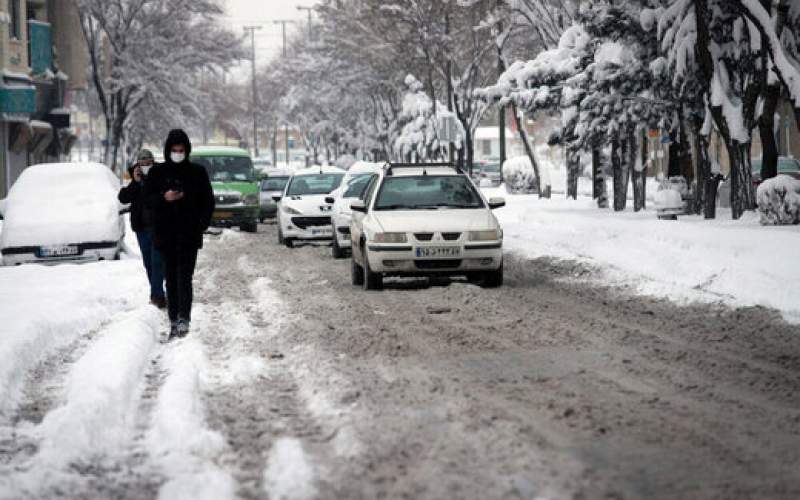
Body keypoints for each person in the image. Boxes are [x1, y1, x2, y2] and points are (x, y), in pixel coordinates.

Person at [144, 130, 215, 339]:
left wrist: (200, 224)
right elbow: (147, 200)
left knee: (185, 277)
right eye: (174, 150)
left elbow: (208, 202)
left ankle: (185, 318)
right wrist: (164, 197)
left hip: (189, 235)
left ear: (187, 150)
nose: (177, 153)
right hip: (166, 235)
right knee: (171, 279)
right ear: (168, 150)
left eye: (181, 150)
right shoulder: (157, 173)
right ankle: (173, 319)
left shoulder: (197, 172)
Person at [118, 149, 166, 309]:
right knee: (149, 263)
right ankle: (158, 292)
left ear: (153, 163)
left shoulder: (161, 175)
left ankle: (156, 296)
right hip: (141, 228)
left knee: (157, 261)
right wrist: (135, 182)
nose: (146, 166)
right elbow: (123, 197)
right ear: (138, 165)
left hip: (159, 227)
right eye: (143, 164)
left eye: (149, 163)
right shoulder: (134, 177)